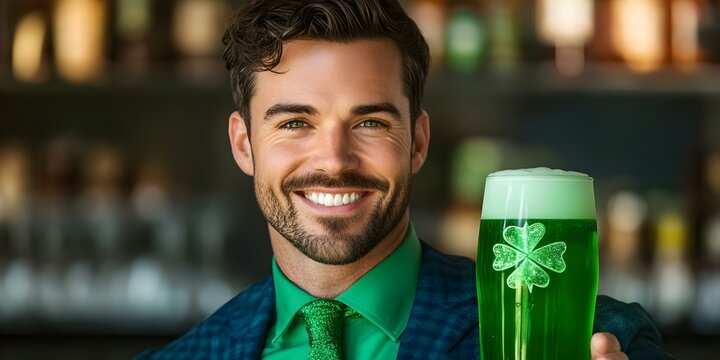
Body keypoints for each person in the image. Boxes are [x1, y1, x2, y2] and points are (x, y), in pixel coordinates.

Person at [137, 0, 672, 359]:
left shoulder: (599, 340)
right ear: (243, 144)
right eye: (295, 123)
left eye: (369, 122)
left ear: (417, 142)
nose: (334, 159)